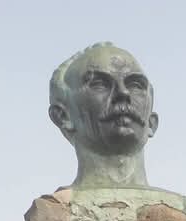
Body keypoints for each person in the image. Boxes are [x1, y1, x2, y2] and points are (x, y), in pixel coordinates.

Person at [49, 42, 159, 188]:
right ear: (63, 116)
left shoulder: (184, 203)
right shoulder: (57, 203)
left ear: (152, 122)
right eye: (99, 84)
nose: (123, 93)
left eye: (135, 85)